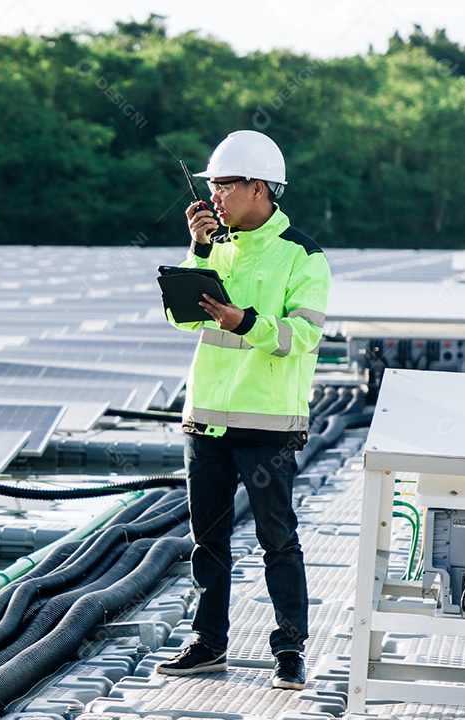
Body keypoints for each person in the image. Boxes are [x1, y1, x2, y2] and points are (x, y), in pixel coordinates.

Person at [155, 130, 331, 691]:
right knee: (208, 539)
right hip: (205, 417)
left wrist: (243, 322)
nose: (214, 197)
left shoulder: (303, 256)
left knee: (277, 539)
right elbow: (181, 319)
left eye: (223, 186)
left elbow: (300, 336)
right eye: (210, 187)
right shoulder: (217, 248)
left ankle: (289, 650)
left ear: (258, 188)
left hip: (267, 425)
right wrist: (200, 252)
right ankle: (207, 644)